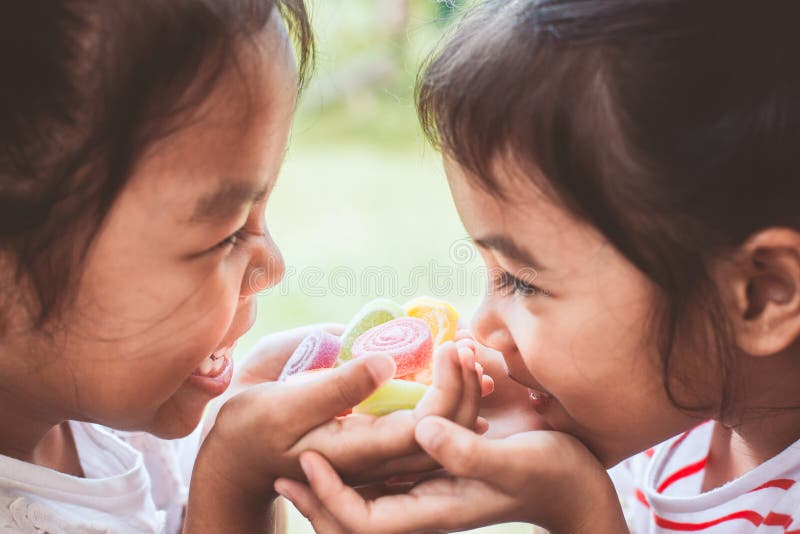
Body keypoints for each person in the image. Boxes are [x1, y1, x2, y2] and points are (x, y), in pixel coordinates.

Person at [275, 1, 800, 532]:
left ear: (760, 295)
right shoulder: (672, 427)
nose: (481, 325)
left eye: (522, 281)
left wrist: (579, 511)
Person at [0, 2, 484, 532]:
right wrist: (233, 477)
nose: (273, 267)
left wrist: (232, 430)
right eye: (225, 234)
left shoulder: (116, 423)